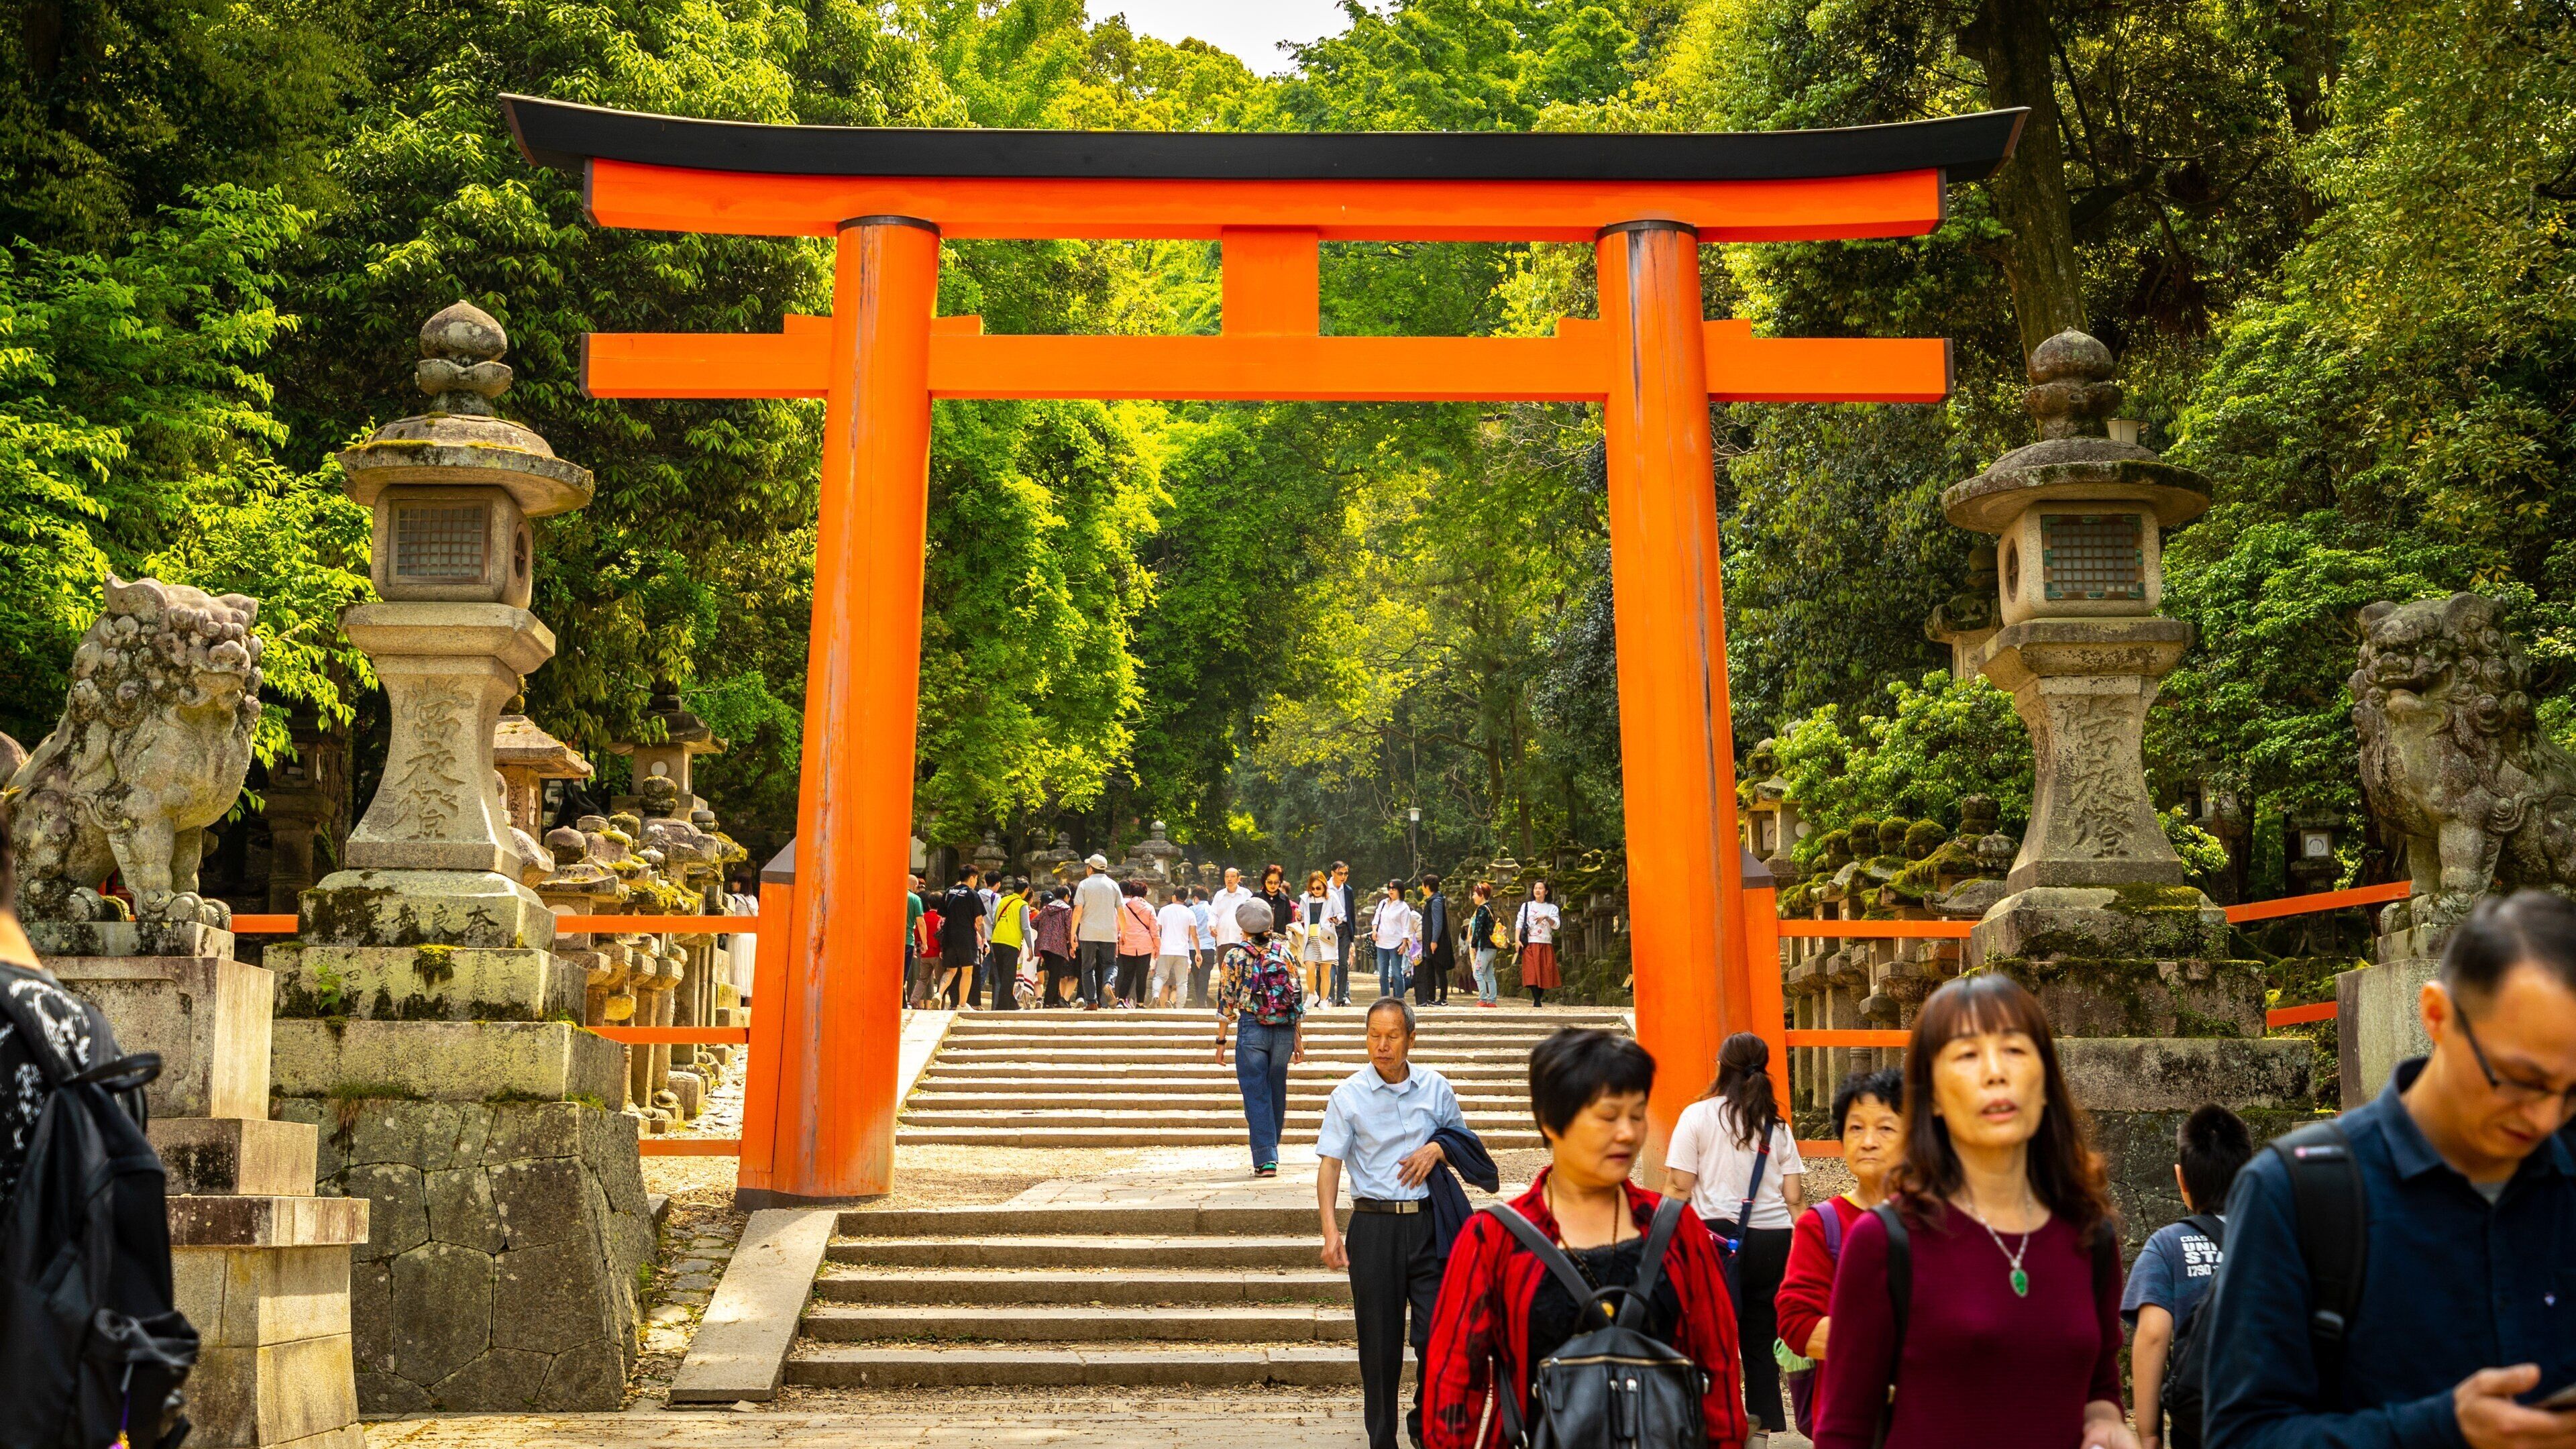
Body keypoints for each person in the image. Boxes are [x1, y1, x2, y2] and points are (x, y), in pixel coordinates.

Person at [2203, 890, 2576, 1449]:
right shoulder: (2297, 1192)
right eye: (2520, 1079)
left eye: (2571, 1092)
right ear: (2437, 1016)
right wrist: (2441, 1430)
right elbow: (2240, 1436)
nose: (2546, 1116)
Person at [1813, 973, 2133, 1449]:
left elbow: (2100, 1387)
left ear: (2045, 1082)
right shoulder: (1886, 1241)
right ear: (1934, 1097)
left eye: (2015, 1050)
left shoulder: (2089, 1233)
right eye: (1966, 1055)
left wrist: (2107, 1424)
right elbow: (1844, 1430)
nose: (1995, 1072)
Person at [1423, 1028, 1748, 1449]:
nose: (1629, 1134)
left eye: (1636, 1114)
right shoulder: (1495, 1241)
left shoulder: (1677, 1230)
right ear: (1551, 1121)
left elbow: (1717, 1365)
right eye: (1609, 1116)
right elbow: (1453, 1381)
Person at [1318, 998, 1469, 1449]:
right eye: (1374, 1036)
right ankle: (1382, 1440)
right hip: (1374, 1228)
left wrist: (1437, 1149)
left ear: (1412, 1039)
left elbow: (1462, 1142)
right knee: (1379, 1348)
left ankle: (1427, 1428)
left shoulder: (1436, 1088)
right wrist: (1330, 1232)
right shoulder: (1347, 1096)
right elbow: (1330, 1167)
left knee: (1438, 1339)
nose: (1382, 1046)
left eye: (1392, 1036)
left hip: (1429, 1228)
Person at [1666, 1032, 1806, 1445]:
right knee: (1760, 1342)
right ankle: (1758, 1438)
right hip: (1773, 1242)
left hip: (1713, 1241)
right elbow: (1794, 1197)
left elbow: (1679, 1187)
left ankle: (1718, 1428)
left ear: (1720, 1066)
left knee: (1713, 1340)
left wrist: (1661, 1238)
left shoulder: (1697, 1117)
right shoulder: (1776, 1126)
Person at [1774, 1068, 1904, 1440]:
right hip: (1851, 1422)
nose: (1868, 1141)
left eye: (1886, 1128)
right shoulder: (1823, 1224)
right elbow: (1799, 1326)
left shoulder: (1943, 1221)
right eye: (1855, 1129)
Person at [2128, 1105, 2252, 1449]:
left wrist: (2149, 1433)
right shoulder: (2280, 1236)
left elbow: (2153, 1336)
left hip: (2198, 1421)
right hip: (2269, 1415)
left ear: (2181, 1178)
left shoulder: (2166, 1246)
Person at [1214, 898, 1304, 1177]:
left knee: (1255, 1092)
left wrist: (1221, 1042)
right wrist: (1298, 1038)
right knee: (1276, 1087)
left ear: (1242, 926)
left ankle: (1266, 1157)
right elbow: (1297, 995)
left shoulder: (1234, 956)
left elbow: (1226, 1001)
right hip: (1284, 1030)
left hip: (1252, 1027)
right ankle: (1270, 1147)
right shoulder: (1285, 952)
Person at [1068, 853, 1122, 1010]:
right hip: (1109, 933)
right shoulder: (1114, 885)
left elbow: (1078, 910)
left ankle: (1091, 1002)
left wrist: (1073, 934)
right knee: (1111, 964)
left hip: (1088, 932)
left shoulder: (1084, 885)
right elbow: (1121, 911)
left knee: (1087, 968)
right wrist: (1123, 933)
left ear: (1090, 868)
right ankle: (1108, 983)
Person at [935, 867, 986, 1010]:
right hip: (966, 937)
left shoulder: (948, 892)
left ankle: (939, 994)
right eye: (976, 879)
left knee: (951, 970)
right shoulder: (972, 895)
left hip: (949, 938)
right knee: (967, 971)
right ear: (971, 878)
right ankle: (962, 1004)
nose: (976, 882)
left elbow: (942, 916)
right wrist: (981, 934)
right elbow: (979, 919)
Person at [984, 876, 1031, 1011]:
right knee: (1009, 977)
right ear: (1026, 890)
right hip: (1011, 943)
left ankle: (1012, 1005)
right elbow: (1026, 928)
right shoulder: (1022, 904)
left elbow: (994, 922)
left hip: (997, 941)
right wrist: (1030, 947)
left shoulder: (1003, 900)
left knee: (1003, 975)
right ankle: (1002, 1006)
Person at [1514, 879, 1562, 1008]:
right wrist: (1517, 940)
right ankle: (1537, 1000)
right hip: (1529, 942)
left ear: (1546, 891)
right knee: (1532, 971)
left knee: (1544, 971)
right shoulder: (1526, 906)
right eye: (1535, 888)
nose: (1538, 890)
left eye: (1541, 888)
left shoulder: (1552, 908)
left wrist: (1547, 917)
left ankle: (1538, 998)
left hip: (1545, 943)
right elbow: (1519, 923)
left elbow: (1557, 925)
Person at [1115, 878, 1158, 1009]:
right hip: (1144, 946)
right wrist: (1157, 947)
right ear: (1145, 894)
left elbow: (1117, 926)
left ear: (1131, 893)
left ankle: (1121, 1000)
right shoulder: (1149, 908)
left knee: (1127, 974)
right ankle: (1140, 1003)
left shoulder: (1123, 907)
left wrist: (1117, 942)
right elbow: (1154, 930)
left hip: (1126, 943)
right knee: (1141, 976)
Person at [1153, 885, 1199, 1008]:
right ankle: (1179, 1007)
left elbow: (1157, 931)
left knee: (1160, 976)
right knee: (1182, 982)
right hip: (1182, 952)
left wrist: (1155, 948)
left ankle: (1156, 995)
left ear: (1174, 896)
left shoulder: (1164, 910)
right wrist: (1198, 953)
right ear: (1185, 899)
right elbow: (1194, 935)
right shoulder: (1190, 912)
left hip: (1165, 950)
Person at [1297, 870, 1338, 1007]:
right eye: (1313, 888)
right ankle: (1312, 995)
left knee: (1326, 971)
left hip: (1326, 938)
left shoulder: (1331, 897)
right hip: (1310, 937)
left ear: (1324, 886)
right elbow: (1301, 916)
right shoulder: (1305, 899)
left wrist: (1335, 919)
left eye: (1319, 888)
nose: (1316, 891)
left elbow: (1341, 914)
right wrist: (1298, 916)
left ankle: (1324, 1000)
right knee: (1309, 967)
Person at [1371, 879, 1415, 999]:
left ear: (1399, 890)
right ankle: (1385, 999)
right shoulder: (1383, 903)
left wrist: (1404, 944)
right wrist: (1374, 930)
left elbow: (1406, 927)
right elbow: (1376, 919)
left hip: (1396, 943)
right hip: (1381, 942)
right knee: (1383, 975)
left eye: (1393, 888)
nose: (1390, 891)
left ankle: (1399, 999)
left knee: (1397, 973)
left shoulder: (1403, 907)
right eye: (1389, 888)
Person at [1035, 885, 1076, 1008]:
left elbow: (1034, 922)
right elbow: (1069, 928)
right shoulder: (1067, 909)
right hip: (1058, 946)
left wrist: (1043, 931)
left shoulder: (1046, 908)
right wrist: (1071, 942)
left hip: (1044, 945)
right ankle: (1048, 1002)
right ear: (1066, 897)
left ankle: (1053, 1000)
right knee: (1056, 973)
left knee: (1054, 972)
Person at [1417, 874, 1452, 1009]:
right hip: (1429, 942)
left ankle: (1443, 999)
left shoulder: (1436, 901)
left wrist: (1434, 940)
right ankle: (1430, 998)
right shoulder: (1430, 901)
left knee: (1440, 970)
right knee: (1429, 971)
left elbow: (1437, 923)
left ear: (1427, 886)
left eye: (1423, 885)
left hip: (1436, 942)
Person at [1466, 882, 1501, 1007]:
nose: (1473, 897)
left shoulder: (1481, 909)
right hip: (1492, 948)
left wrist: (1474, 945)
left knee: (1478, 973)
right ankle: (1492, 1001)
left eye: (1475, 894)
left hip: (1484, 947)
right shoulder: (1490, 908)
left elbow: (1478, 929)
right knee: (1490, 975)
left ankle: (1482, 999)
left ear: (1481, 895)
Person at [1330, 861, 1359, 1007]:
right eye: (1340, 873)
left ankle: (1341, 996)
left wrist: (1352, 939)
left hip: (1345, 928)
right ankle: (1326, 996)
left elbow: (1351, 914)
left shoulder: (1348, 890)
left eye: (1346, 873)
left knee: (1343, 964)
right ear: (1333, 873)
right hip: (1329, 929)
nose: (1343, 876)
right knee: (1328, 963)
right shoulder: (1325, 888)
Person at [1209, 867, 1254, 949]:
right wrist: (1212, 926)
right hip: (1223, 938)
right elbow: (1213, 914)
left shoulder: (1246, 894)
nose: (1229, 879)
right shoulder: (1219, 895)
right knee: (1223, 961)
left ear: (1238, 879)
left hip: (1242, 939)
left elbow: (1251, 915)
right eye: (1227, 877)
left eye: (1233, 876)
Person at [1189, 885, 1218, 1008]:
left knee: (1196, 976)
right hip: (1209, 947)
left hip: (1193, 947)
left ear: (1195, 898)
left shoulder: (1191, 910)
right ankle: (1202, 1001)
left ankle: (1200, 1001)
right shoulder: (1212, 910)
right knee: (1205, 976)